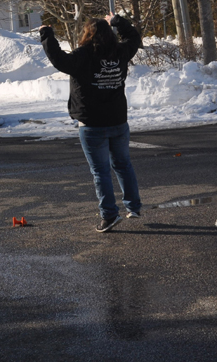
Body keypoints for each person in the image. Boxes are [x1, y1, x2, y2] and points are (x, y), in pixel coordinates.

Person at [40, 14, 143, 233]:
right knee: (123, 164)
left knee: (101, 171)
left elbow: (59, 59)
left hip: (91, 124)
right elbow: (134, 37)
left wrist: (47, 34)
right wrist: (117, 21)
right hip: (118, 121)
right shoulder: (120, 52)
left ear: (87, 33)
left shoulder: (83, 55)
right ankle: (133, 207)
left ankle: (109, 214)